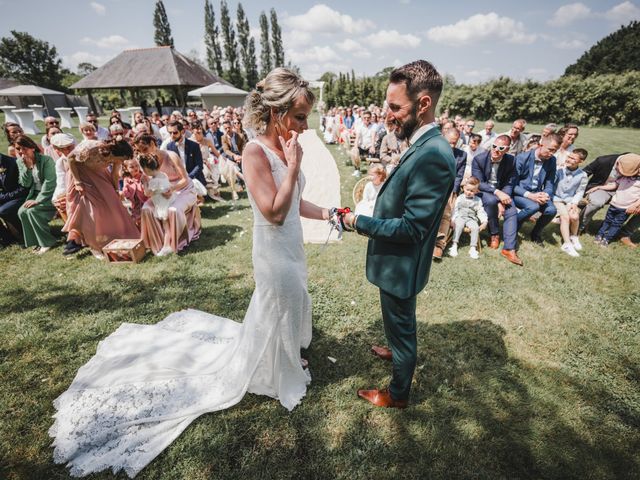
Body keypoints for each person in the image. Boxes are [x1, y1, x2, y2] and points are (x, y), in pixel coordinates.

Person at [51, 67, 330, 477]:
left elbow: (296, 201)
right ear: (277, 112)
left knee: (287, 303)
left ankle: (280, 357)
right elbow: (272, 212)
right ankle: (278, 367)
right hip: (272, 249)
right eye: (300, 117)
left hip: (291, 245)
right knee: (281, 300)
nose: (305, 127)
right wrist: (291, 165)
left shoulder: (286, 149)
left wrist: (332, 213)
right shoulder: (256, 152)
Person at [341, 60, 455, 409]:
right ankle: (394, 348)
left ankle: (398, 394)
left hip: (402, 264)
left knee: (404, 329)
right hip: (397, 262)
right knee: (397, 319)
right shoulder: (421, 143)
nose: (387, 115)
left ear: (423, 104)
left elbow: (412, 227)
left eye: (395, 107)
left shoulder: (433, 153)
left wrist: (357, 222)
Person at [63, 139, 140, 259]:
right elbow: (70, 159)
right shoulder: (92, 148)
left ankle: (114, 236)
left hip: (99, 175)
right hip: (80, 175)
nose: (122, 162)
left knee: (113, 206)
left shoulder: (116, 158)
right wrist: (77, 181)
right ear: (115, 153)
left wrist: (115, 191)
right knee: (92, 213)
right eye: (121, 159)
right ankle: (95, 246)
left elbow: (114, 174)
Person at [136, 133, 201, 255]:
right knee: (146, 209)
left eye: (144, 149)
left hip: (183, 189)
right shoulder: (143, 160)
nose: (142, 153)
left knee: (173, 210)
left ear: (152, 144)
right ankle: (157, 244)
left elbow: (185, 179)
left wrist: (172, 188)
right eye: (139, 151)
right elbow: (149, 184)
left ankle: (173, 243)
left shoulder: (171, 156)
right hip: (160, 192)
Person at [471, 134, 522, 265]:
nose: (496, 150)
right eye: (494, 146)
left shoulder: (512, 161)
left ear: (507, 150)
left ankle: (509, 249)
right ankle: (494, 234)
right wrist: (497, 194)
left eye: (501, 148)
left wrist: (503, 198)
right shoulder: (479, 159)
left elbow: (510, 183)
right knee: (491, 201)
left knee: (511, 211)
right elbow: (478, 182)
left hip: (503, 192)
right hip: (484, 191)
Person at [580, 152, 638, 246]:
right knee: (597, 202)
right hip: (606, 187)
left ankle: (625, 234)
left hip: (628, 193)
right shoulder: (603, 160)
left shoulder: (635, 163)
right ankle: (580, 226)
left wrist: (637, 204)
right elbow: (583, 173)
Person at [513, 133, 561, 244]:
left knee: (551, 210)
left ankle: (535, 233)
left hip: (538, 193)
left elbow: (549, 183)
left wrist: (546, 194)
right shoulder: (521, 158)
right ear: (541, 144)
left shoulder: (552, 160)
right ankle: (512, 229)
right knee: (532, 207)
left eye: (555, 151)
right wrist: (530, 196)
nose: (552, 153)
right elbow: (512, 185)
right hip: (521, 193)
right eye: (550, 149)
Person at [14, 135, 58, 253]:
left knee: (33, 211)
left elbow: (50, 182)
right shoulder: (20, 162)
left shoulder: (46, 160)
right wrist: (27, 168)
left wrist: (38, 200)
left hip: (50, 194)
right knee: (22, 212)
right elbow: (25, 184)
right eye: (18, 149)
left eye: (24, 148)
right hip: (35, 194)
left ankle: (47, 242)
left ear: (32, 147)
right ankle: (37, 241)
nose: (21, 152)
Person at [553, 149, 588, 256]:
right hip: (556, 198)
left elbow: (580, 191)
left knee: (575, 217)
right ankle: (567, 244)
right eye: (569, 156)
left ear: (580, 162)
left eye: (573, 158)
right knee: (565, 217)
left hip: (569, 199)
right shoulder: (559, 170)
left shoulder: (583, 175)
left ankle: (574, 236)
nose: (569, 159)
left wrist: (574, 203)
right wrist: (558, 168)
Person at [448, 177, 487, 259]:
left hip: (471, 218)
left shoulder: (478, 200)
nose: (469, 192)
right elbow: (455, 209)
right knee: (458, 225)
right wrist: (453, 220)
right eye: (467, 190)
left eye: (472, 191)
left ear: (476, 191)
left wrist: (484, 221)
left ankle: (473, 247)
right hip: (461, 216)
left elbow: (481, 211)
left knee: (475, 227)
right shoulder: (460, 198)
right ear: (463, 188)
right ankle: (454, 244)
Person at [0, 152, 28, 246]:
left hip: (21, 196)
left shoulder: (13, 163)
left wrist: (4, 197)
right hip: (5, 197)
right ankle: (6, 238)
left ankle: (25, 235)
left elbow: (24, 188)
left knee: (3, 210)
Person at [139, 153, 175, 223]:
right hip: (170, 200)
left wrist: (145, 183)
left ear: (146, 169)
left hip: (162, 205)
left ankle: (167, 234)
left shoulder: (154, 181)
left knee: (165, 225)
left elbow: (147, 194)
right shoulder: (163, 174)